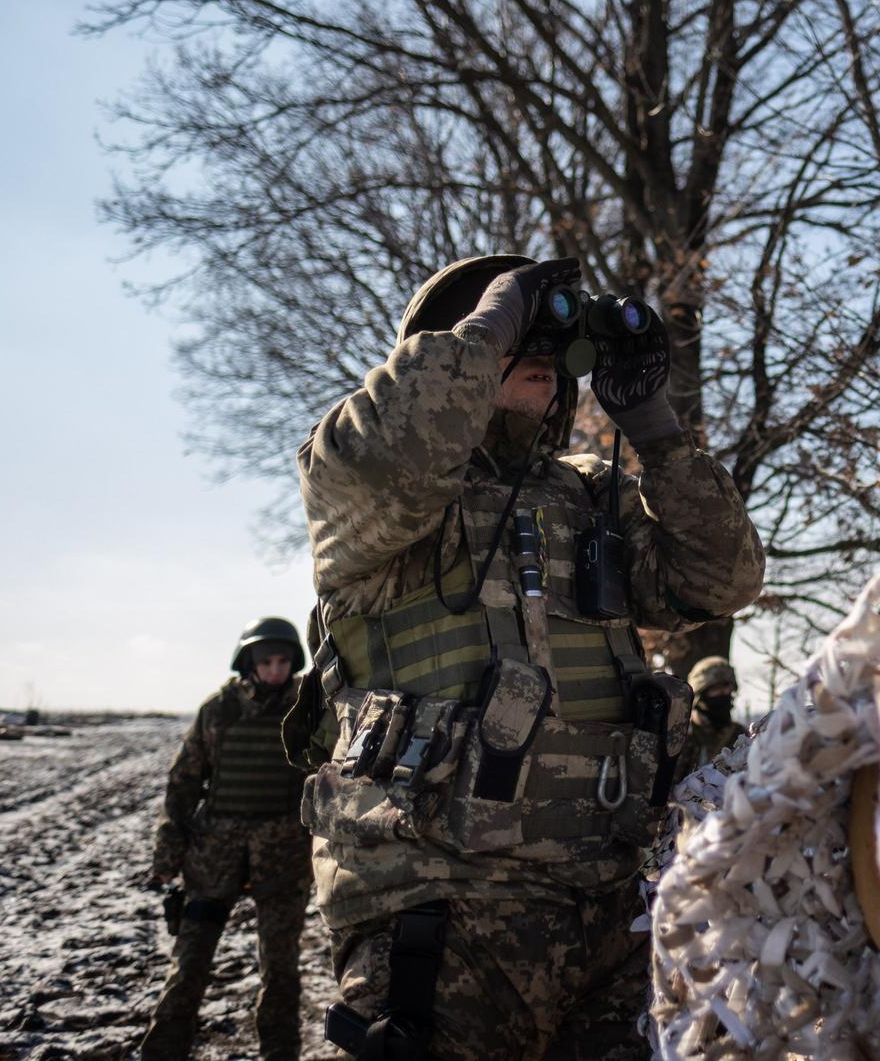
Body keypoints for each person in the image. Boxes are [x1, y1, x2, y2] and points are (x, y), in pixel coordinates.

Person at [289, 254, 764, 1060]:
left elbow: (723, 578)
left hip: (615, 910)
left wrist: (653, 428)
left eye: (548, 342)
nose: (536, 351)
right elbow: (402, 449)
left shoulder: (588, 496)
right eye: (514, 335)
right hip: (442, 909)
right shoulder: (364, 484)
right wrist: (489, 326)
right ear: (444, 346)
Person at [142, 617, 314, 1061]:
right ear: (248, 663)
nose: (276, 670)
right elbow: (181, 785)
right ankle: (162, 1050)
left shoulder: (309, 710)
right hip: (214, 856)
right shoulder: (218, 711)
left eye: (283, 661)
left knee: (280, 970)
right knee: (190, 963)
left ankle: (281, 1053)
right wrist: (168, 854)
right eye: (267, 661)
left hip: (283, 857)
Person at [676, 656, 746, 779]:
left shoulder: (740, 737)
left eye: (728, 688)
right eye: (717, 688)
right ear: (699, 696)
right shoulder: (679, 736)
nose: (725, 694)